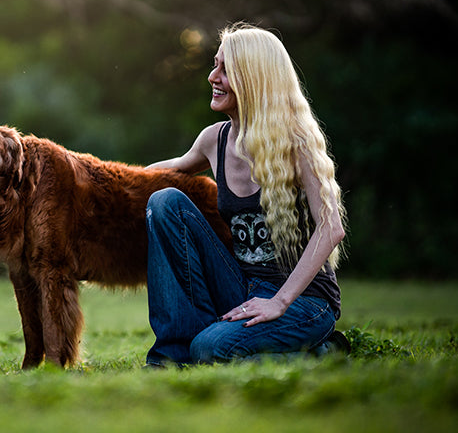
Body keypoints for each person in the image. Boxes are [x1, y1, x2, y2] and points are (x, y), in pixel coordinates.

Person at [144, 22, 347, 366]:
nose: (213, 76)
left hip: (304, 302)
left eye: (226, 69)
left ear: (254, 79)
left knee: (210, 349)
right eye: (215, 65)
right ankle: (170, 358)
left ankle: (321, 350)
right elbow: (165, 171)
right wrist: (95, 177)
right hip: (243, 288)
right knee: (164, 201)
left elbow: (331, 229)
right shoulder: (214, 139)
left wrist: (279, 302)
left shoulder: (298, 143)